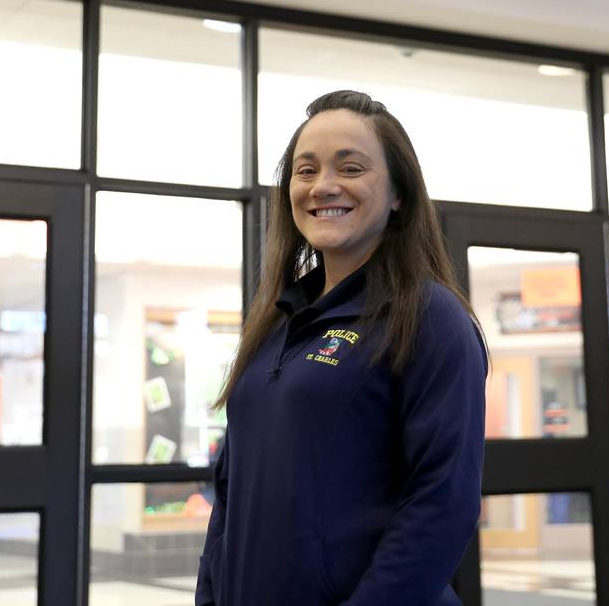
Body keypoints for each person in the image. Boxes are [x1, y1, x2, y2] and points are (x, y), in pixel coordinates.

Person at [195, 89, 488, 606]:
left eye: (350, 168)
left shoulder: (429, 316)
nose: (323, 186)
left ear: (399, 193)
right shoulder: (276, 322)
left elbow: (441, 503)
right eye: (305, 171)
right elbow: (230, 494)